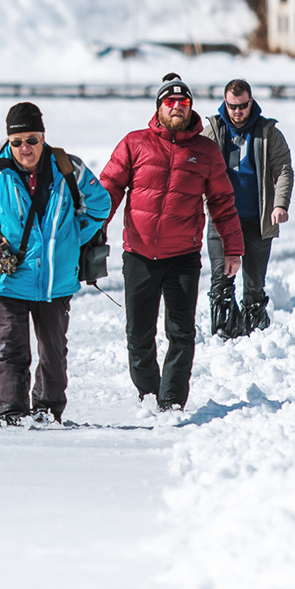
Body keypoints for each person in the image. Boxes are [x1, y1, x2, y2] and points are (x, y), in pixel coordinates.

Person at [99, 75, 244, 412]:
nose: (177, 107)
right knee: (138, 334)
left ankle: (172, 401)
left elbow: (222, 203)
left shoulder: (205, 151)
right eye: (170, 102)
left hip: (183, 257)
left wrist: (233, 248)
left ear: (191, 108)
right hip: (139, 255)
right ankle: (149, 393)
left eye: (183, 102)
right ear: (159, 108)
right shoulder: (135, 143)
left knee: (181, 333)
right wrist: (92, 230)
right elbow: (109, 189)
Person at [0, 102, 111, 426]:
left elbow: (100, 205)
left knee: (53, 354)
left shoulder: (69, 167)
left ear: (43, 137)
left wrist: (71, 238)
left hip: (54, 280)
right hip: (8, 280)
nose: (24, 148)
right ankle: (12, 414)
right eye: (16, 142)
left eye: (31, 140)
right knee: (10, 351)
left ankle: (47, 411)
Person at [202, 78, 293, 338]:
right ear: (225, 102)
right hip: (221, 220)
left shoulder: (268, 132)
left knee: (254, 285)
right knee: (221, 281)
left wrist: (280, 204)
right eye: (232, 106)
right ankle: (223, 335)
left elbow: (283, 170)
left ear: (251, 102)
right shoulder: (213, 130)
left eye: (242, 106)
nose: (238, 111)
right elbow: (195, 168)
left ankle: (255, 336)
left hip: (257, 220)